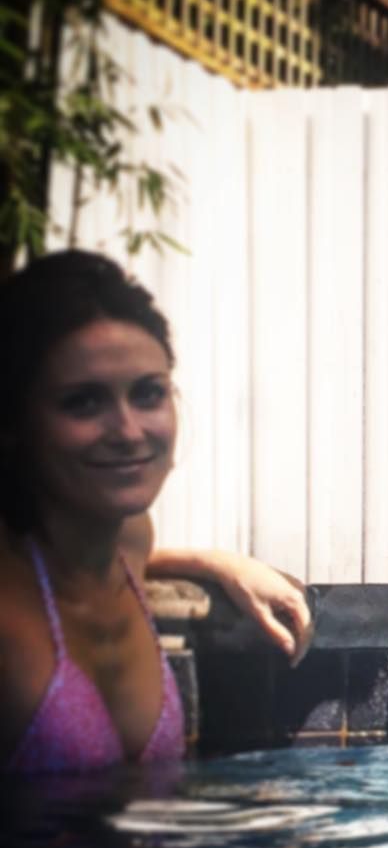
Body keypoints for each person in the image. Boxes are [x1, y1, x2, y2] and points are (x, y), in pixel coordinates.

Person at [0, 250, 312, 773]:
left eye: (148, 394)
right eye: (83, 402)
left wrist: (217, 563)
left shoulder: (128, 542)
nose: (128, 432)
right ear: (14, 422)